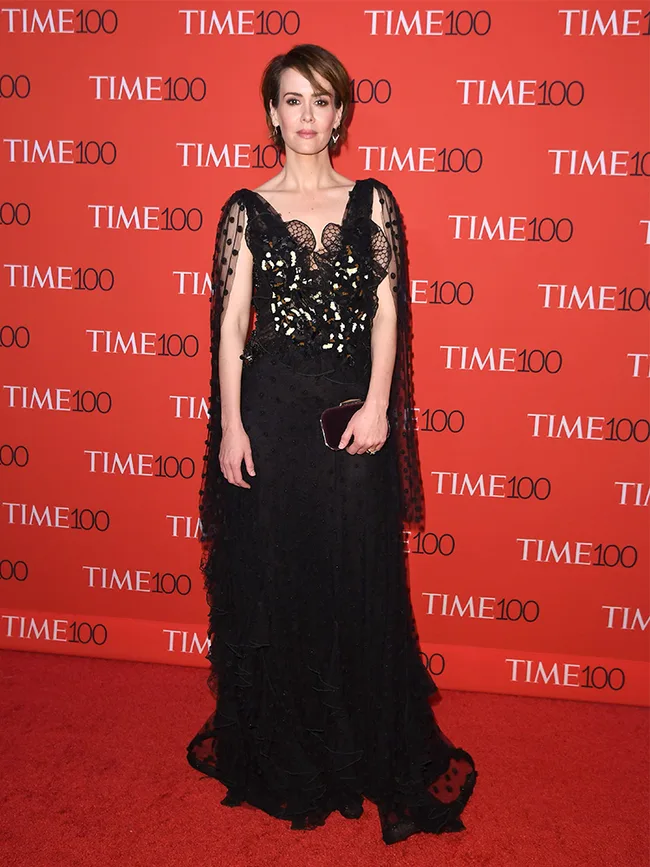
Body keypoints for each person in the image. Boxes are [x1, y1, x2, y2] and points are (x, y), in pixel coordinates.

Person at [186, 43, 477, 845]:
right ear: (272, 113)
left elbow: (389, 313)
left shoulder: (373, 201)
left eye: (321, 101)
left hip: (355, 416)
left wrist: (382, 404)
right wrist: (233, 425)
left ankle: (361, 751)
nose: (306, 116)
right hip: (274, 417)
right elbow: (229, 329)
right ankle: (291, 753)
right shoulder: (245, 207)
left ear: (341, 113)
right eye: (291, 100)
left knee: (358, 580)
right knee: (283, 582)